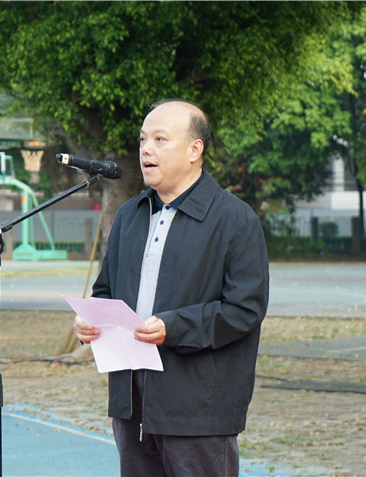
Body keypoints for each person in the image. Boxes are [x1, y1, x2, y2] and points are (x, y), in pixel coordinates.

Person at [74, 99, 269, 476]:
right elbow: (106, 292)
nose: (146, 149)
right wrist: (90, 322)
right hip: (131, 402)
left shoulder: (235, 220)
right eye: (142, 139)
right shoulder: (130, 215)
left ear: (195, 150)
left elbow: (244, 310)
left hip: (198, 409)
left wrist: (174, 327)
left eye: (160, 139)